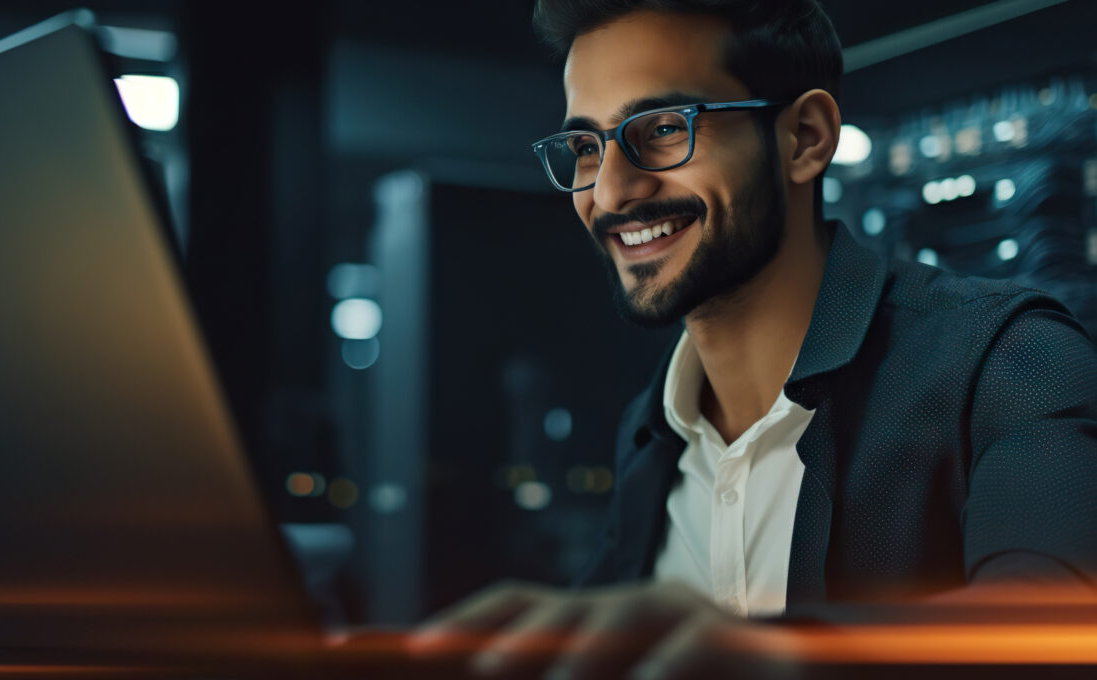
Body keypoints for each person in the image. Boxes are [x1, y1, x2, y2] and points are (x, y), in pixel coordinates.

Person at [406, 0, 1097, 676]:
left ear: (805, 139)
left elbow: (1060, 625)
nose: (612, 192)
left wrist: (777, 653)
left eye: (664, 128)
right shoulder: (651, 434)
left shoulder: (1010, 360)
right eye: (586, 147)